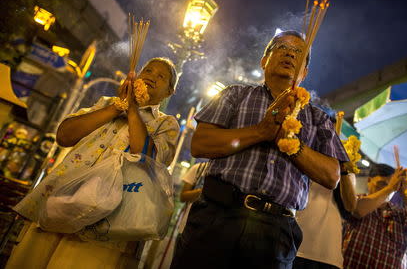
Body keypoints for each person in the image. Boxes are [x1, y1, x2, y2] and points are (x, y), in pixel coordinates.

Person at [170, 30, 349, 269]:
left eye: (299, 52)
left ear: (304, 72)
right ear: (264, 61)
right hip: (216, 216)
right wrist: (261, 132)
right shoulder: (234, 94)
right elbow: (201, 143)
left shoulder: (319, 119)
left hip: (276, 232)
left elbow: (331, 175)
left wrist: (291, 144)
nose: (289, 53)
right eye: (281, 47)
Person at [6, 57, 180, 269]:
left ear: (169, 92)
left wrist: (133, 109)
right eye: (148, 71)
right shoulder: (106, 103)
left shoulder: (166, 123)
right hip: (60, 202)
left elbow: (147, 157)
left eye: (161, 76)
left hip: (106, 220)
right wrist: (117, 107)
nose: (151, 77)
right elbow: (64, 136)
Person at [342, 163, 407, 269]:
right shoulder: (356, 200)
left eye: (391, 184)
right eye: (381, 183)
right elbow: (357, 210)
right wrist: (390, 187)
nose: (387, 188)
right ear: (369, 181)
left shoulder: (400, 213)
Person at [293, 171, 357, 269]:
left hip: (328, 254)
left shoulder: (346, 171)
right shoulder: (303, 158)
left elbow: (351, 206)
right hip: (297, 247)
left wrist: (343, 169)